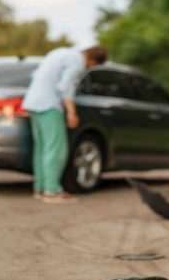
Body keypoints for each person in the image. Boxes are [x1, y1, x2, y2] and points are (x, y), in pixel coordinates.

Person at [22, 46, 108, 203]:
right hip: (49, 105)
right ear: (93, 60)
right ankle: (52, 191)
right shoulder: (77, 61)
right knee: (56, 150)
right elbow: (65, 87)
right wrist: (71, 112)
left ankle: (40, 188)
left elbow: (35, 74)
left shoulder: (59, 52)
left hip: (33, 103)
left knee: (42, 149)